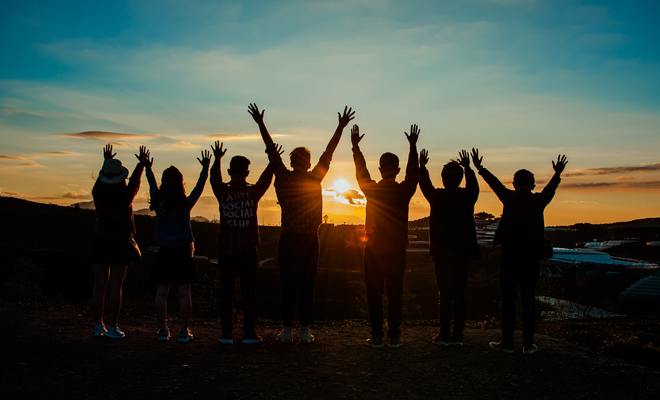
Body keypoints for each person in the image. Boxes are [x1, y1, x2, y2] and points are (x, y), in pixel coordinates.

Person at [248, 103, 355, 344]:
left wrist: (261, 124)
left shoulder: (283, 178)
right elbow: (329, 152)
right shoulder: (315, 177)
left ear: (292, 161)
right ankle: (305, 330)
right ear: (307, 162)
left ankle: (287, 329)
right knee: (307, 284)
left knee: (287, 283)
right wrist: (340, 126)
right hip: (308, 239)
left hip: (289, 238)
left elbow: (271, 151)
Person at [473, 150, 568, 354]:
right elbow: (550, 189)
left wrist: (480, 168)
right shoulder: (538, 201)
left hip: (510, 256)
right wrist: (557, 173)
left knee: (508, 299)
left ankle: (507, 342)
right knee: (528, 300)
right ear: (533, 184)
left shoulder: (509, 198)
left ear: (514, 183)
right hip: (531, 257)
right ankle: (528, 343)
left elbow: (495, 184)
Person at [351, 123, 419, 348]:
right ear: (396, 169)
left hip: (373, 250)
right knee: (395, 293)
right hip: (397, 250)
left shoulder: (372, 190)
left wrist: (355, 148)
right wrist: (413, 147)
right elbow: (413, 174)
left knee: (374, 294)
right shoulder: (403, 191)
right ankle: (394, 335)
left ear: (380, 169)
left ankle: (378, 335)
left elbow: (361, 172)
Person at [209, 140, 283, 345]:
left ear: (230, 171)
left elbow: (214, 179)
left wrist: (216, 159)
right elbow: (265, 180)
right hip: (248, 250)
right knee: (249, 292)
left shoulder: (223, 193)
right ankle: (249, 333)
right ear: (247, 173)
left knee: (226, 292)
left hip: (226, 250)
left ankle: (226, 333)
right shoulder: (252, 193)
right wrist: (272, 160)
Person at [146, 149, 211, 343]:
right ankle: (183, 331)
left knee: (162, 292)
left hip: (165, 250)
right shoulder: (185, 203)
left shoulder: (158, 202)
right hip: (183, 251)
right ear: (180, 183)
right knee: (184, 292)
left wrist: (148, 168)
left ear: (164, 182)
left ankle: (162, 330)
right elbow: (199, 188)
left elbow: (151, 185)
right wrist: (205, 170)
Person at [419, 149, 479, 347]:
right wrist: (468, 168)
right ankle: (458, 335)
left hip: (442, 252)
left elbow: (424, 185)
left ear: (443, 179)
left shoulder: (437, 197)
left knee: (444, 293)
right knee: (460, 292)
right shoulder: (467, 197)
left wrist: (422, 166)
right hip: (463, 251)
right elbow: (474, 187)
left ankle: (444, 334)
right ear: (460, 178)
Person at [90, 144, 150, 339]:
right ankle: (113, 325)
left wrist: (106, 161)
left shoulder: (98, 192)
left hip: (101, 238)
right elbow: (135, 182)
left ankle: (98, 325)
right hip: (121, 240)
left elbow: (103, 180)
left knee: (99, 285)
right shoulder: (125, 196)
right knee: (116, 285)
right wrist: (141, 164)